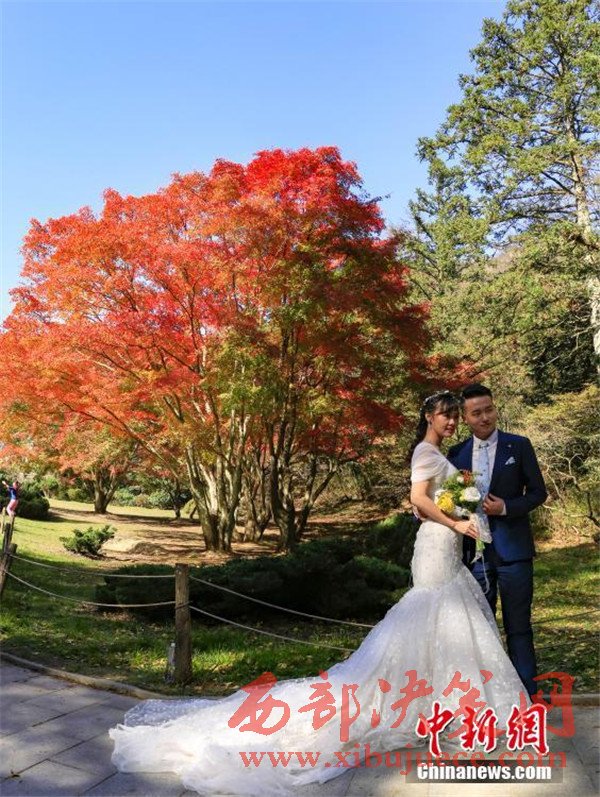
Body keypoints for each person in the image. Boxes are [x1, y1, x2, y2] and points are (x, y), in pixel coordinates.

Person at [109, 391, 530, 796]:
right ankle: (434, 703)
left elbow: (425, 502)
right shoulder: (426, 451)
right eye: (446, 415)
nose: (452, 421)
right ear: (428, 418)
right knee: (430, 616)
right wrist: (455, 521)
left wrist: (457, 509)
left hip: (444, 545)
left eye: (455, 415)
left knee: (437, 625)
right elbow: (418, 497)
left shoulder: (437, 453)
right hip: (439, 546)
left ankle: (434, 703)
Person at [447, 383, 547, 698]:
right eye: (476, 413)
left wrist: (505, 507)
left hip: (514, 554)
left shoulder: (519, 446)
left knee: (519, 628)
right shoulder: (457, 454)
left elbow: (538, 493)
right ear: (465, 418)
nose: (485, 417)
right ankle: (490, 700)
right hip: (476, 556)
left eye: (488, 409)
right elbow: (452, 501)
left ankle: (528, 698)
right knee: (481, 631)